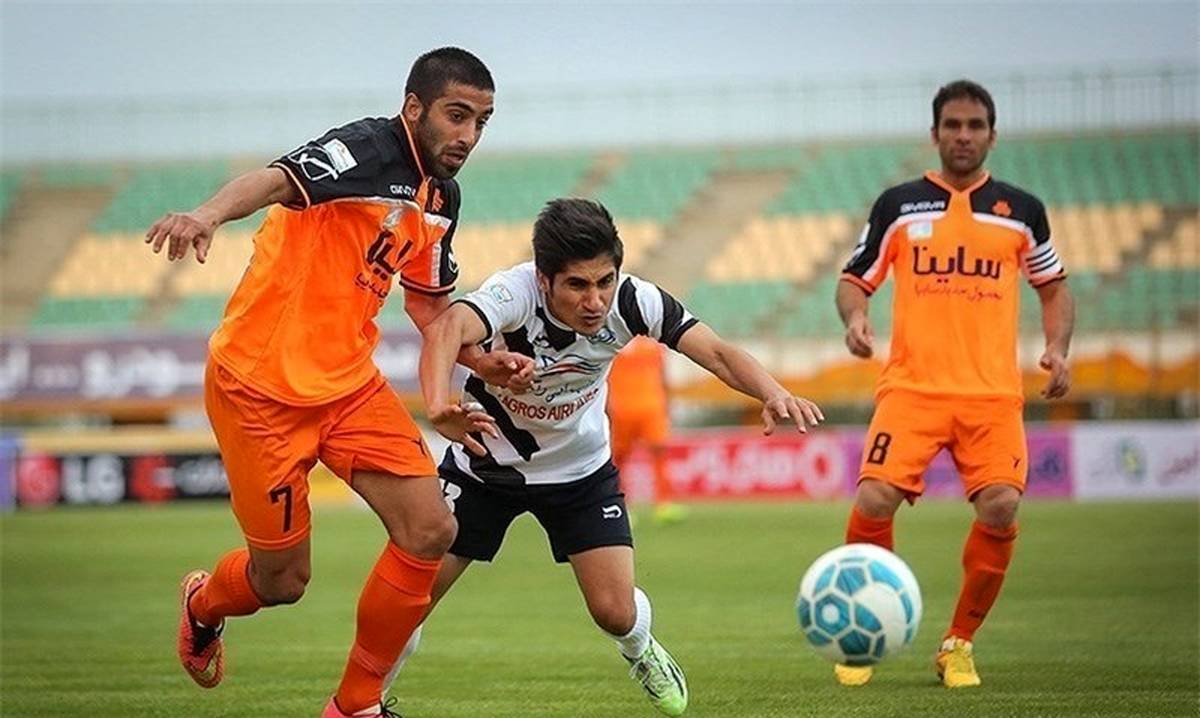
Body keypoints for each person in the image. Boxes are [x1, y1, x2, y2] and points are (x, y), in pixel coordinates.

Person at [148, 48, 533, 718]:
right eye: (457, 115)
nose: (469, 135)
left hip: (349, 388)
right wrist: (208, 214)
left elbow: (428, 306)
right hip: (258, 392)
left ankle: (355, 706)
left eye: (482, 121)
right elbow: (275, 179)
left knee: (430, 529)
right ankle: (204, 603)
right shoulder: (364, 151)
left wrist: (477, 359)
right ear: (414, 108)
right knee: (283, 581)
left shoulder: (441, 199)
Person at [388, 197, 823, 716]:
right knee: (410, 599)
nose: (594, 300)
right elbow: (447, 329)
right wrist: (439, 405)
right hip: (486, 467)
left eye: (604, 281)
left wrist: (773, 392)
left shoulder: (636, 301)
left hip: (580, 471)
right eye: (577, 285)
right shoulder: (513, 292)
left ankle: (641, 650)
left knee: (614, 612)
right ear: (544, 280)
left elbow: (716, 352)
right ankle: (366, 703)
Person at [834, 79, 1074, 688]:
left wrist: (1057, 348)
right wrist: (855, 318)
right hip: (911, 390)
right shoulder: (899, 205)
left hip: (992, 395)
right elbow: (854, 278)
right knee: (873, 499)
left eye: (974, 126)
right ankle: (863, 637)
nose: (963, 136)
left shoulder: (1022, 211)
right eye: (952, 125)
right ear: (935, 133)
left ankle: (958, 644)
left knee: (1002, 505)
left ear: (992, 135)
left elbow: (1053, 288)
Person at [607, 335, 685, 524]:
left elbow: (662, 375)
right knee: (618, 459)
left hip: (652, 406)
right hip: (621, 408)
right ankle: (621, 504)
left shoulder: (653, 344)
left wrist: (667, 404)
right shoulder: (613, 341)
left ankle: (664, 504)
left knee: (660, 452)